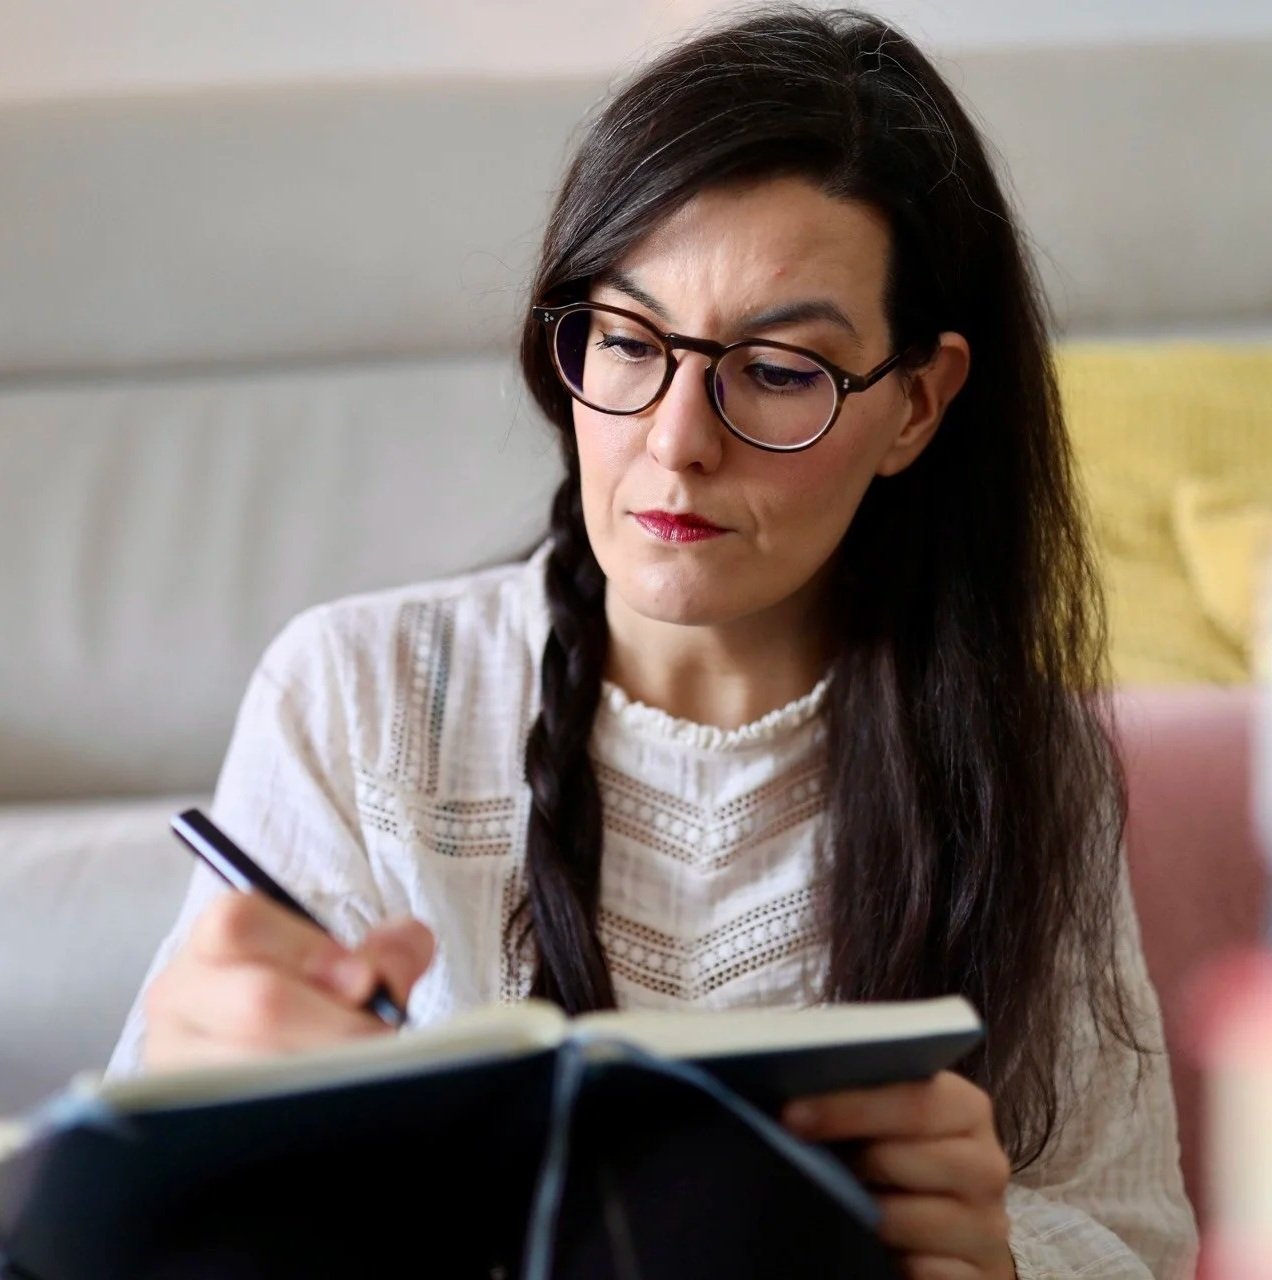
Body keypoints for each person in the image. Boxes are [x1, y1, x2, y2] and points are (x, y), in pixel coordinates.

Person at [109, 7, 1198, 1276]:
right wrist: (189, 1118)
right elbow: (139, 1224)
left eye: (781, 368)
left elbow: (1131, 1233)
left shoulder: (1026, 759)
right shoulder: (361, 694)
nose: (678, 438)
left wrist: (1002, 1254)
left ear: (916, 402)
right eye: (628, 341)